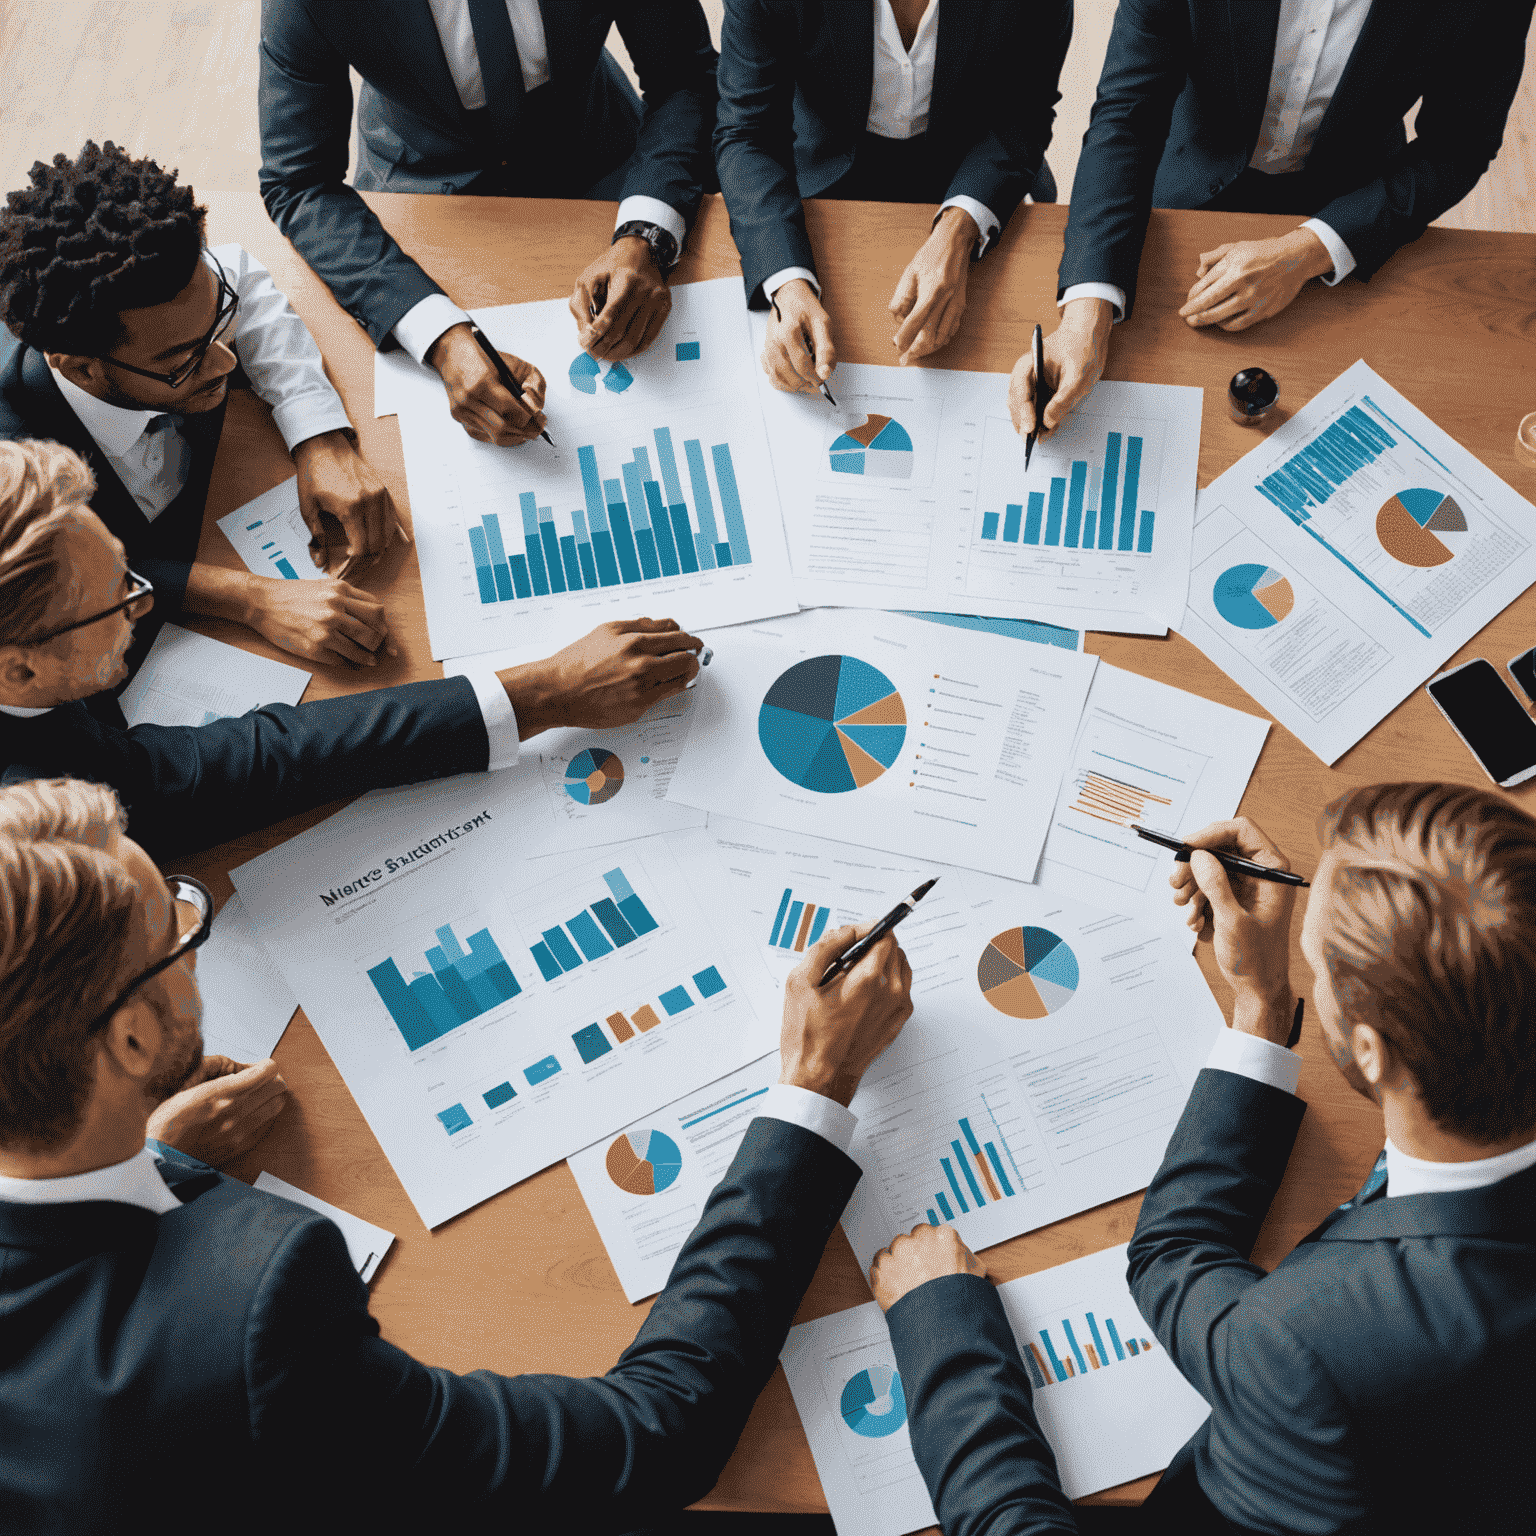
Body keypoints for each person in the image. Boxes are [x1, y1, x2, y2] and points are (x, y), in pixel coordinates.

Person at [0, 774, 914, 1534]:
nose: (198, 940)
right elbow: (650, 1438)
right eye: (181, 932)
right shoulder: (249, 1307)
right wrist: (813, 1088)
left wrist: (144, 1149)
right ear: (125, 1043)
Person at [867, 785, 1536, 1534]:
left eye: (1318, 965)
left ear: (1373, 1053)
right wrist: (1266, 996)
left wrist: (941, 1332)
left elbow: (1173, 1257)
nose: (1307, 957)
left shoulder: (1307, 1350)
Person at [0, 437, 704, 862]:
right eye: (120, 599)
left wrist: (240, 595)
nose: (146, 597)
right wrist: (542, 693)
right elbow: (253, 766)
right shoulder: (36, 815)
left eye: (130, 567)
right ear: (18, 668)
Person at [1010, 0, 1536, 440]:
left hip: (1353, 202)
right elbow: (1128, 114)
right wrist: (1085, 315)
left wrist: (1311, 249)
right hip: (1190, 172)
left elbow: (1459, 145)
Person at [0, 140, 403, 673]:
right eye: (183, 359)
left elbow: (248, 283)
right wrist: (247, 599)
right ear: (80, 368)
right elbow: (48, 577)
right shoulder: (13, 471)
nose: (224, 364)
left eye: (219, 322)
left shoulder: (163, 284)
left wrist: (319, 437)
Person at [258, 0, 719, 447]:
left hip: (600, 151)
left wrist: (647, 231)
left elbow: (684, 75)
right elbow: (299, 181)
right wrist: (435, 335)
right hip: (423, 186)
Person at [714, 0, 1070, 392]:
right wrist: (786, 280)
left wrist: (960, 229)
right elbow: (749, 133)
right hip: (824, 171)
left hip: (974, 168)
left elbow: (1025, 112)